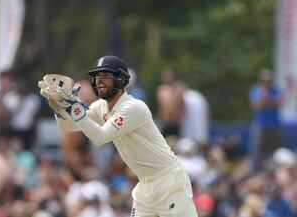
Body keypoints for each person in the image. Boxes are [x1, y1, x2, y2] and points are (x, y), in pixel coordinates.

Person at [39, 55, 197, 216]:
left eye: (105, 76)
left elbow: (100, 137)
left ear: (121, 78)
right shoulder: (101, 106)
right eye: (96, 77)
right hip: (144, 185)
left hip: (168, 180)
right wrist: (60, 108)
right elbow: (69, 126)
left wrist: (74, 108)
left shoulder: (133, 107)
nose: (99, 81)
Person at [249, 68, 283, 171]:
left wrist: (267, 102)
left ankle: (274, 171)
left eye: (269, 80)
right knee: (259, 151)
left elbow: (280, 101)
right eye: (265, 80)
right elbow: (257, 104)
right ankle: (259, 171)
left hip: (274, 125)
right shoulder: (256, 89)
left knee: (275, 151)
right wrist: (268, 100)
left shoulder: (276, 89)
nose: (267, 82)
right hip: (261, 125)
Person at [156, 69, 185, 140]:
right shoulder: (162, 90)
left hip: (175, 122)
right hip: (165, 121)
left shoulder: (178, 90)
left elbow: (182, 106)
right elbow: (161, 106)